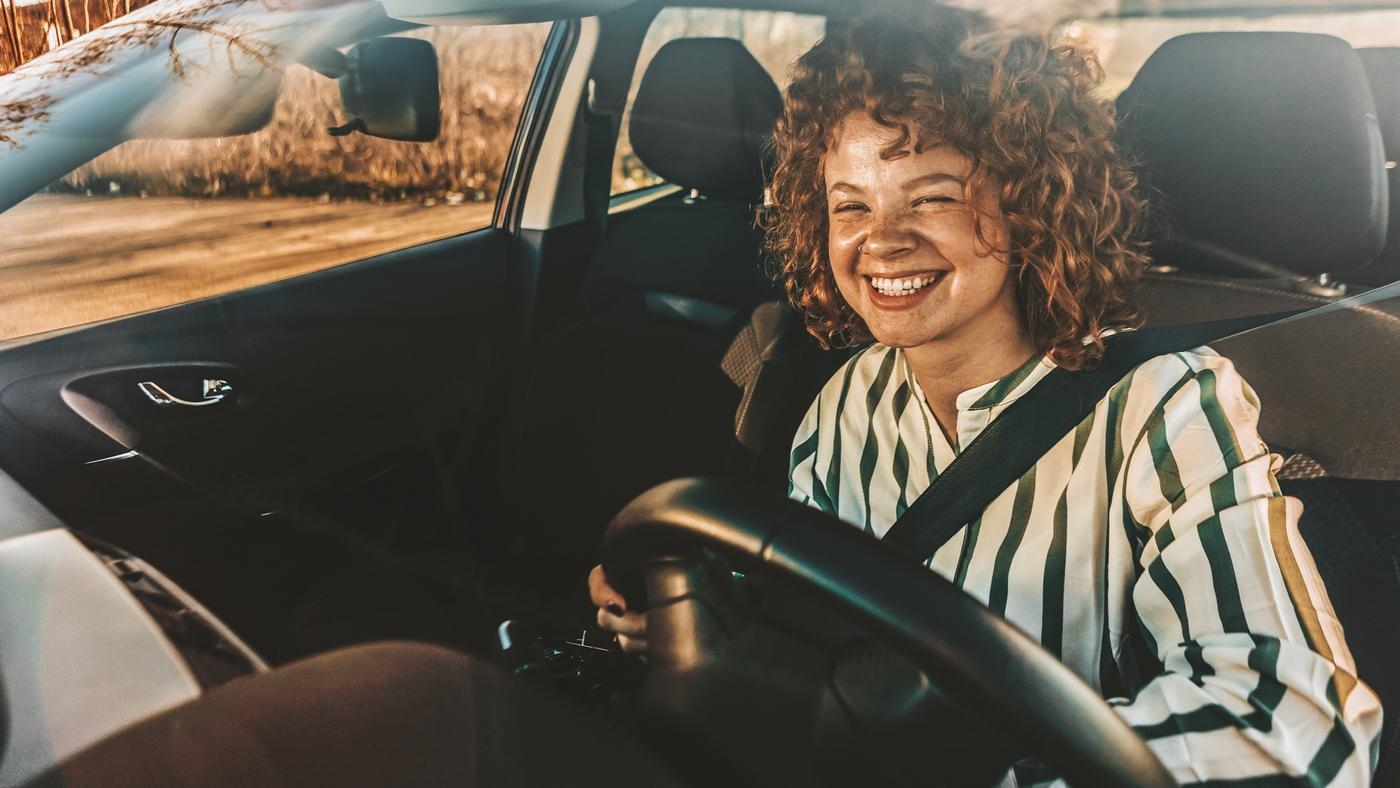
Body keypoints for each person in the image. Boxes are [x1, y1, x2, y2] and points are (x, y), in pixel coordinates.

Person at [590, 4, 1382, 784]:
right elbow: (806, 632)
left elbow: (1298, 726)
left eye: (931, 196)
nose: (883, 241)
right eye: (851, 206)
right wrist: (683, 620)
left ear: (1031, 203)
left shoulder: (1166, 408)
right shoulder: (841, 402)